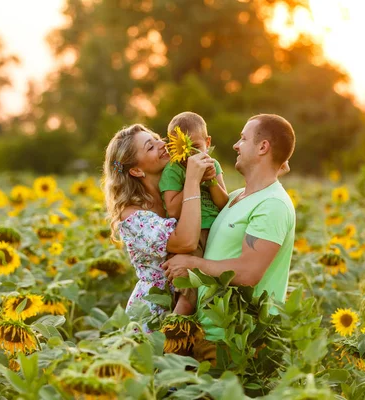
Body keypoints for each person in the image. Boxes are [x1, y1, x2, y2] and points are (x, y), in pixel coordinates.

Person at [162, 114, 296, 357]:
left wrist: (192, 264)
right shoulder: (235, 197)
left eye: (243, 139)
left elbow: (248, 273)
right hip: (212, 333)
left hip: (241, 342)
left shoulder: (273, 204)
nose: (236, 145)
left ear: (263, 147)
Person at [102, 123, 214, 327]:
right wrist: (192, 180)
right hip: (156, 311)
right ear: (136, 170)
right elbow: (186, 242)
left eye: (157, 139)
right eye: (150, 147)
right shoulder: (132, 215)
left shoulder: (173, 194)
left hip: (198, 297)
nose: (162, 144)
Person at [160, 112, 229, 315]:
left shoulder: (212, 165)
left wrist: (211, 181)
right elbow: (172, 209)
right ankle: (174, 333)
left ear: (208, 142)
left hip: (216, 232)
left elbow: (223, 203)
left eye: (196, 147)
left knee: (214, 287)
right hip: (191, 235)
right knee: (189, 293)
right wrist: (193, 180)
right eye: (182, 149)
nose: (190, 155)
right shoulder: (173, 170)